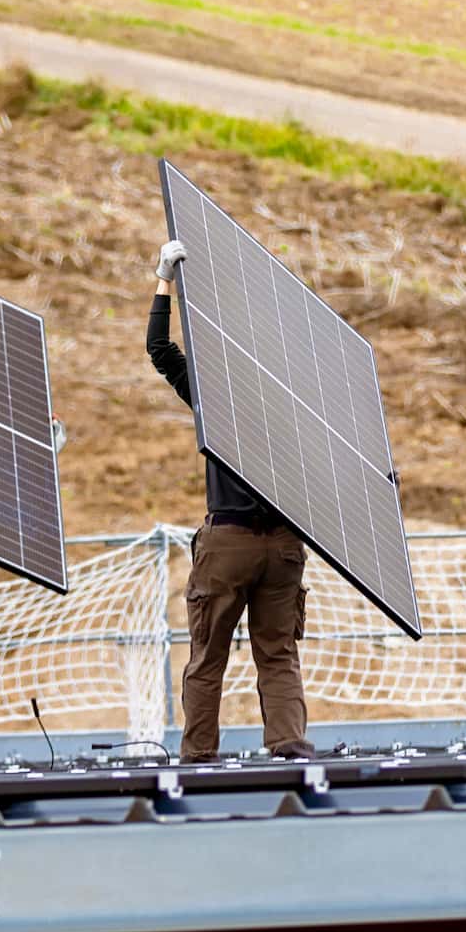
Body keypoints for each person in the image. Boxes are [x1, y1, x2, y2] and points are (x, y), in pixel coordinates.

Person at [147, 238, 313, 761]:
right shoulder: (303, 403)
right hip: (285, 546)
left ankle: (198, 757)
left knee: (207, 657)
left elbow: (160, 349)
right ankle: (289, 746)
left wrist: (164, 280)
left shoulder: (217, 391)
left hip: (228, 546)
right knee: (279, 654)